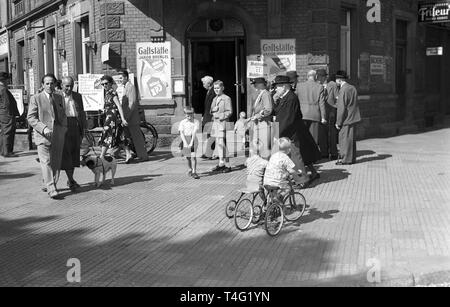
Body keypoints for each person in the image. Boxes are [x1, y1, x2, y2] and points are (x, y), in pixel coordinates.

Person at [272, 75, 321, 188]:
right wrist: (276, 100)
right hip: (294, 130)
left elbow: (287, 119)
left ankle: (302, 180)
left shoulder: (291, 98)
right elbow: (279, 113)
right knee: (303, 154)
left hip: (292, 132)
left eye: (277, 87)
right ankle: (311, 173)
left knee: (295, 157)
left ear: (284, 86)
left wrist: (277, 134)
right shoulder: (285, 97)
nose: (276, 89)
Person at [27, 73, 67, 199]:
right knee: (46, 161)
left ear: (55, 84)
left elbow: (63, 115)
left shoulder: (59, 97)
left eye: (52, 83)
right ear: (43, 85)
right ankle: (51, 187)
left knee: (56, 162)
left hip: (58, 134)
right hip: (42, 136)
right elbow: (31, 117)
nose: (50, 86)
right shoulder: (36, 98)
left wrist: (63, 129)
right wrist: (43, 128)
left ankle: (49, 182)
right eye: (47, 83)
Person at [60, 76, 87, 191]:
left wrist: (84, 128)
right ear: (62, 85)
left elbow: (82, 113)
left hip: (75, 125)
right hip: (62, 127)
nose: (69, 88)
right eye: (67, 86)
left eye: (71, 86)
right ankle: (70, 180)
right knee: (65, 155)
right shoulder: (56, 96)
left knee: (74, 153)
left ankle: (71, 179)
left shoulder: (77, 96)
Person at [98, 75, 131, 162]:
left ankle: (102, 156)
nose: (104, 86)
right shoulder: (107, 93)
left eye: (106, 83)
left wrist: (123, 118)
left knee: (106, 133)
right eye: (103, 84)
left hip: (112, 118)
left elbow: (119, 106)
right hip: (110, 117)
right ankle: (128, 154)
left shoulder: (113, 93)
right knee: (119, 136)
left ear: (110, 83)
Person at [117, 70, 149, 162]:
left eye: (121, 78)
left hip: (131, 118)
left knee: (137, 138)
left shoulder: (130, 87)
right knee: (126, 138)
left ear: (126, 77)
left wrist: (126, 117)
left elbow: (132, 103)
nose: (120, 80)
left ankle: (143, 156)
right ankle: (131, 153)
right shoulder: (126, 87)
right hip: (128, 118)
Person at [335, 71, 361, 165]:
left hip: (346, 118)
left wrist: (338, 122)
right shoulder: (352, 88)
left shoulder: (343, 90)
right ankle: (352, 158)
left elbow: (341, 108)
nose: (336, 81)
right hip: (353, 116)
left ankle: (346, 159)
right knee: (351, 140)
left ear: (339, 79)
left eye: (336, 79)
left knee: (344, 140)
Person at [296, 70, 327, 148]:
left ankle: (304, 156)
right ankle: (313, 158)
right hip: (314, 114)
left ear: (307, 76)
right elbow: (321, 103)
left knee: (302, 137)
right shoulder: (319, 87)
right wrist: (323, 117)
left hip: (302, 114)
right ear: (316, 77)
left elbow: (296, 100)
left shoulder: (299, 86)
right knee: (313, 138)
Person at [210, 80, 233, 173]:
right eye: (215, 88)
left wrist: (219, 115)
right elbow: (210, 110)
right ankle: (221, 163)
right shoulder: (214, 99)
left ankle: (228, 165)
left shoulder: (226, 98)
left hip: (223, 123)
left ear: (222, 88)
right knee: (219, 144)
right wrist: (213, 110)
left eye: (218, 88)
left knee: (223, 144)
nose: (216, 90)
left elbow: (229, 111)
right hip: (216, 124)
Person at [317, 69, 339, 160]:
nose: (318, 79)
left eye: (319, 77)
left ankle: (333, 153)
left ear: (324, 77)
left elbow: (337, 98)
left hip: (331, 112)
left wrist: (334, 109)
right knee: (322, 134)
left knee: (332, 134)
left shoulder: (332, 85)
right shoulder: (317, 86)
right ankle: (324, 152)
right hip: (320, 113)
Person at [249, 77, 273, 160]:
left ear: (261, 85)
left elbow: (268, 109)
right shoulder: (261, 94)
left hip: (264, 123)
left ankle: (265, 167)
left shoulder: (265, 94)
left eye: (255, 84)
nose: (254, 86)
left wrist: (257, 116)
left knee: (263, 147)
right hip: (259, 123)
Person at [0, 72, 19, 158]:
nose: (9, 81)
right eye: (8, 79)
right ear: (4, 80)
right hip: (7, 114)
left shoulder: (2, 88)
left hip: (4, 113)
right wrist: (12, 114)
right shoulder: (3, 89)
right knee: (8, 131)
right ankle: (7, 152)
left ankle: (3, 150)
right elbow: (7, 104)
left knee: (4, 132)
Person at [179, 107, 200, 179]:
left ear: (193, 114)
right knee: (188, 157)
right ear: (185, 115)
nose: (189, 116)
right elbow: (181, 133)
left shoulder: (196, 121)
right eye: (187, 115)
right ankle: (190, 169)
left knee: (193, 156)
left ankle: (194, 171)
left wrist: (191, 143)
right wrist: (185, 142)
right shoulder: (182, 122)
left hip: (193, 139)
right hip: (185, 138)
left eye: (191, 114)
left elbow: (194, 132)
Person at [201, 76, 217, 160]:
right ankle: (207, 152)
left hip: (211, 117)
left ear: (209, 83)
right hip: (207, 116)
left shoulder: (213, 91)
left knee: (211, 136)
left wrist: (212, 116)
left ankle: (210, 153)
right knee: (207, 135)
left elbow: (213, 106)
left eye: (204, 83)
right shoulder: (208, 91)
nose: (203, 85)